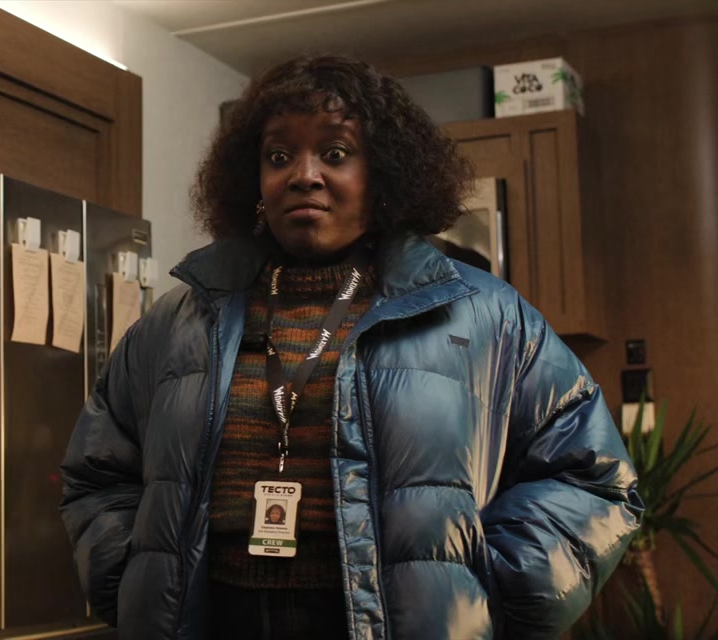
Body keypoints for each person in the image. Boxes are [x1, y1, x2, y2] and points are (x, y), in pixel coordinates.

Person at [59, 55, 641, 640]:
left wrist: (492, 591)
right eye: (278, 156)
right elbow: (96, 471)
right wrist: (133, 584)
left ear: (382, 174)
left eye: (335, 153)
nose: (303, 175)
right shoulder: (178, 321)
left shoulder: (485, 315)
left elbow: (592, 477)